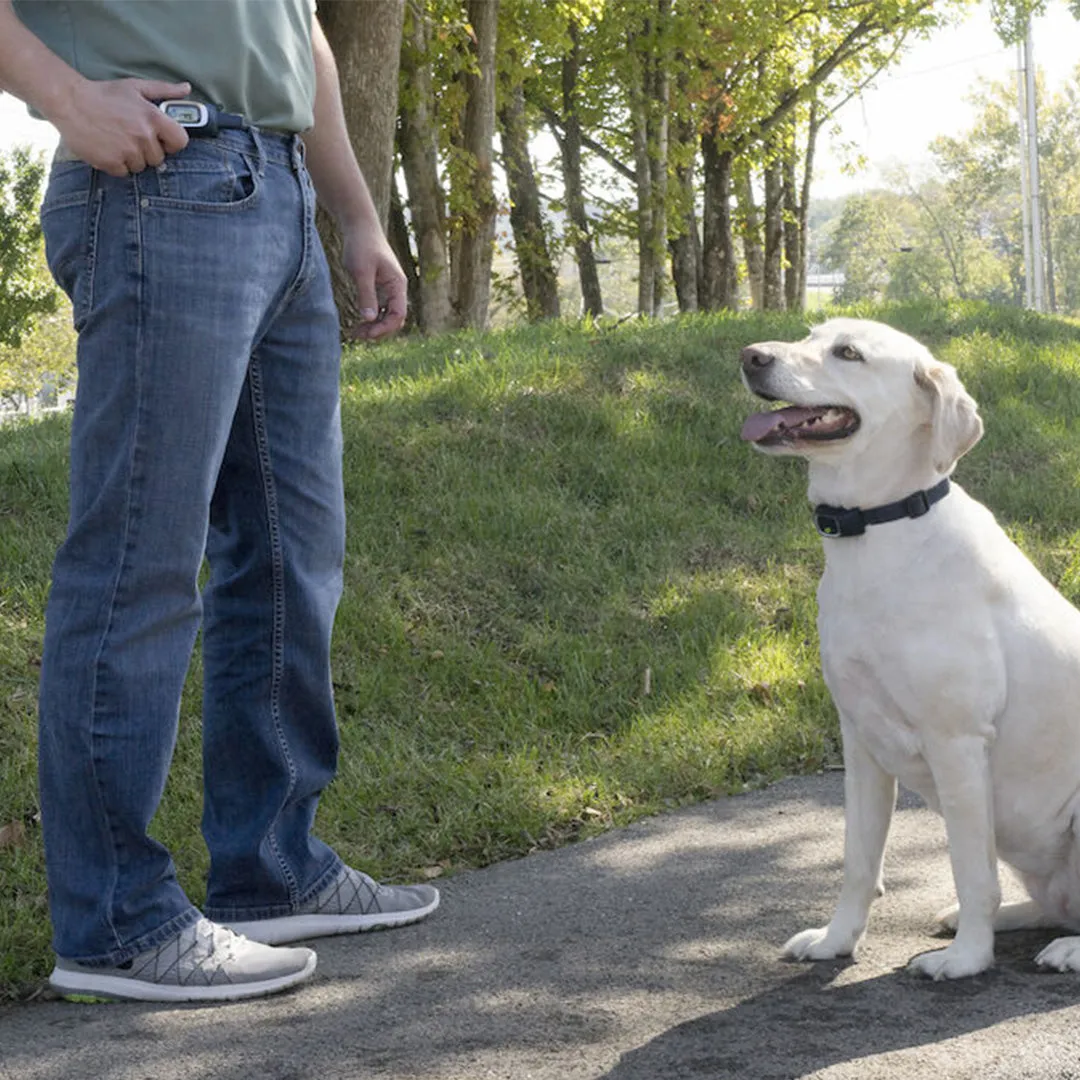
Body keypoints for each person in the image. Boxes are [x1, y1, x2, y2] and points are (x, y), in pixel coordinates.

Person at [0, 0, 439, 1003]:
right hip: (162, 177)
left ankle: (272, 868)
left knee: (294, 557)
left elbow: (303, 35)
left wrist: (358, 215)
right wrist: (68, 99)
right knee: (138, 564)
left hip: (276, 189)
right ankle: (117, 922)